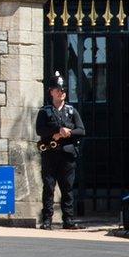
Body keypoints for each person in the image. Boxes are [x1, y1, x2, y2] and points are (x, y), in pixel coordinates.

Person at [36, 71, 86, 230]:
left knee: (67, 188)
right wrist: (57, 131)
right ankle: (47, 220)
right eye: (58, 89)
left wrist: (68, 132)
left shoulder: (71, 111)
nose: (61, 92)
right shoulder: (45, 111)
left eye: (63, 90)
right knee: (49, 187)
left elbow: (81, 130)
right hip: (50, 154)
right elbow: (40, 130)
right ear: (51, 92)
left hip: (67, 155)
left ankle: (68, 220)